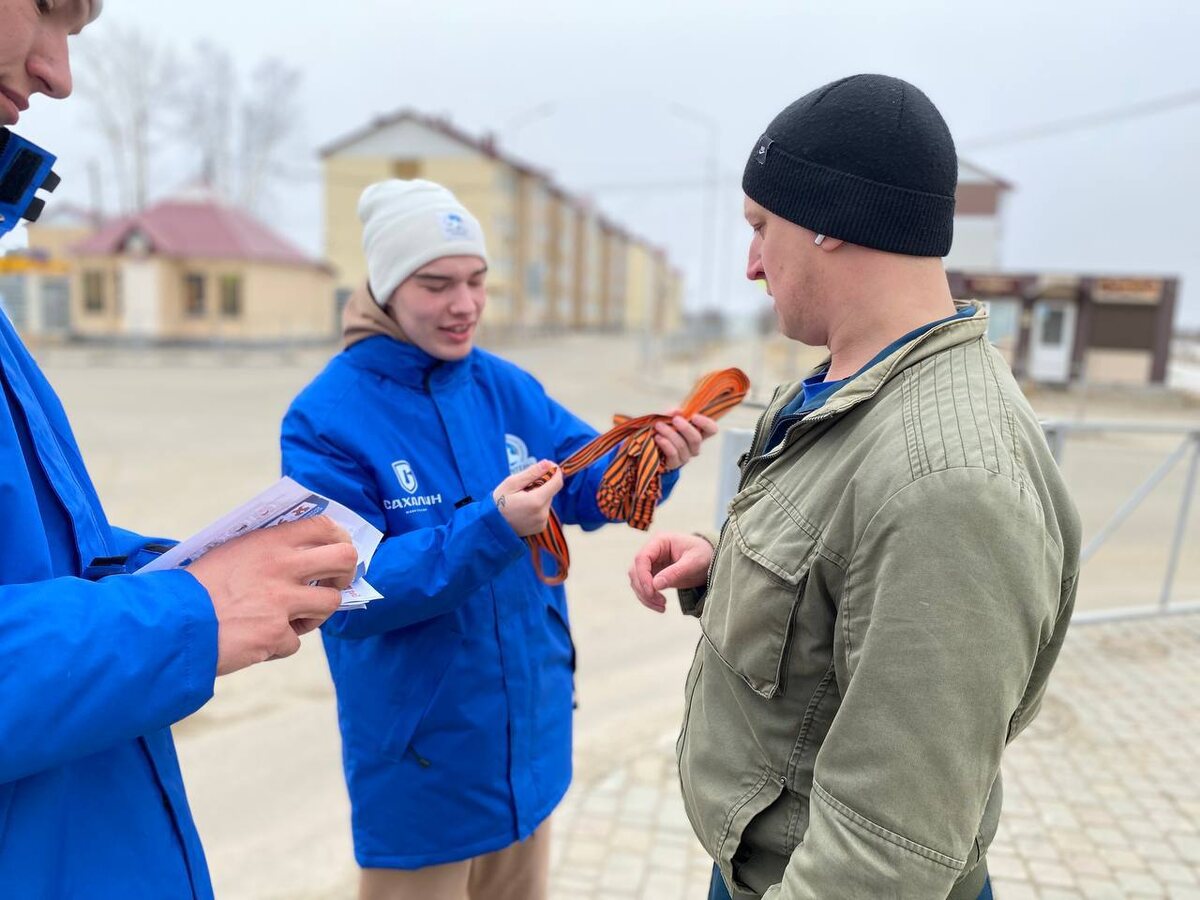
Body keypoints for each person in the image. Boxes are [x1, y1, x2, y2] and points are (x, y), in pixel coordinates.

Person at [629, 74, 1081, 900]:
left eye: (761, 227)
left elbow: (885, 853)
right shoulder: (853, 383)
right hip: (759, 864)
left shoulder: (950, 484)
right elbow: (844, 588)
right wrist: (723, 567)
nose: (752, 263)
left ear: (829, 220)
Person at [0, 2, 358, 895]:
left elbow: (41, 564)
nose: (58, 74)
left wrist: (184, 570)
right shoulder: (338, 402)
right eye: (46, 7)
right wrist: (191, 609)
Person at [281, 178, 718, 900]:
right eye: (436, 284)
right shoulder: (327, 418)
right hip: (424, 761)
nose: (465, 304)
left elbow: (585, 480)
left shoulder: (504, 387)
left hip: (526, 737)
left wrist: (652, 461)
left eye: (477, 280)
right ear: (385, 287)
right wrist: (491, 527)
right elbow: (343, 589)